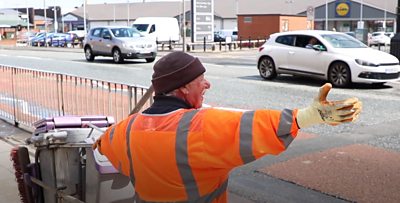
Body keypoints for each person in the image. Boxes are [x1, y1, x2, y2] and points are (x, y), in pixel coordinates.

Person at [93, 51, 362, 202]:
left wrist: (99, 142)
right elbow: (253, 127)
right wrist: (308, 116)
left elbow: (104, 144)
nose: (207, 84)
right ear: (184, 87)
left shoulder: (123, 132)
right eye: (201, 79)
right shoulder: (197, 129)